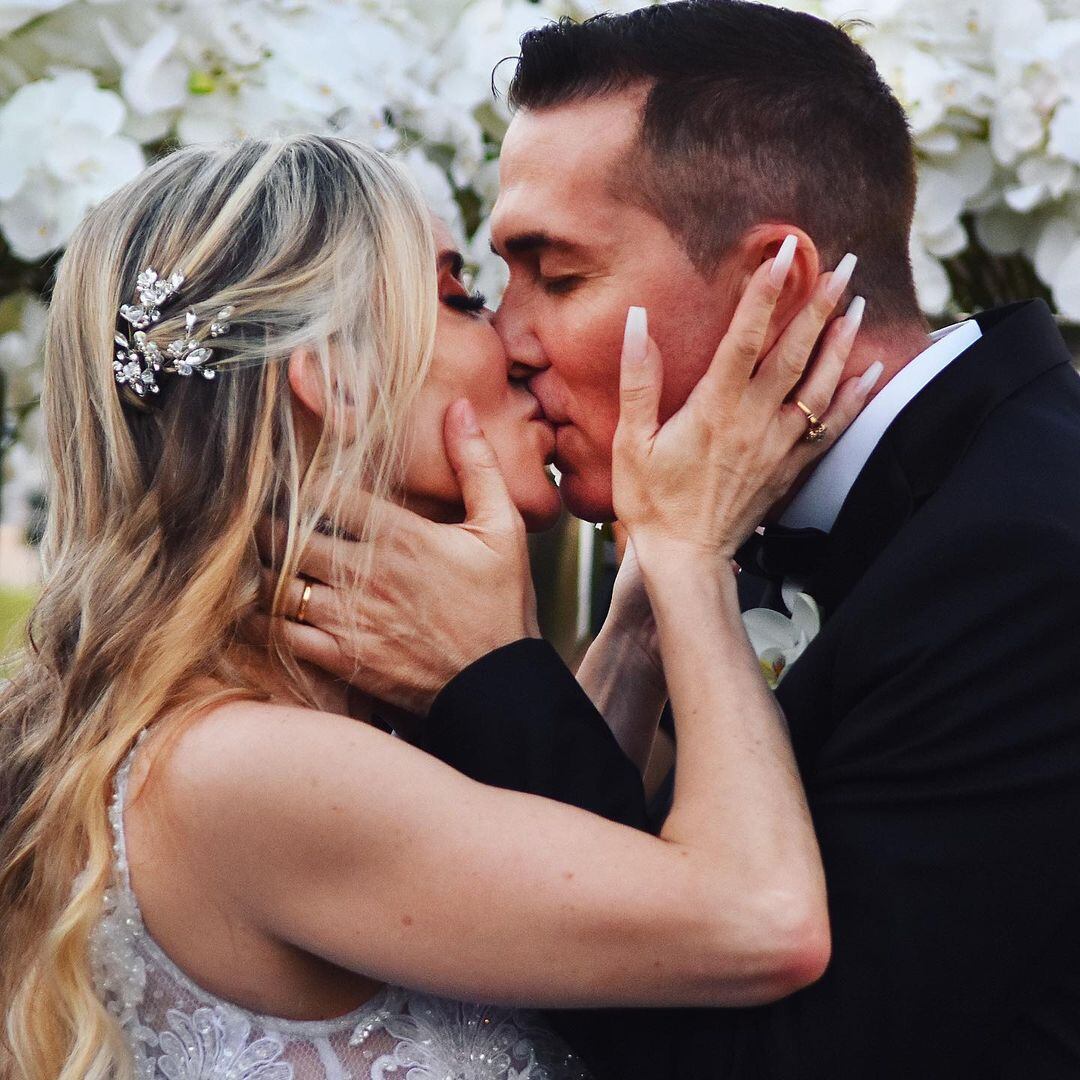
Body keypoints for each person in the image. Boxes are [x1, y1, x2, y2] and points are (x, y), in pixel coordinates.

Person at [279, 4, 1080, 1079]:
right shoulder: (731, 513)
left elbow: (791, 1055)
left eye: (557, 277)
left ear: (776, 286)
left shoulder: (1031, 551)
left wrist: (498, 679)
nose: (510, 343)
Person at [0, 133, 872, 1080]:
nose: (515, 341)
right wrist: (689, 555)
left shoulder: (289, 726)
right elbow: (763, 919)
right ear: (333, 381)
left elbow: (574, 872)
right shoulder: (252, 767)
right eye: (462, 298)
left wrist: (633, 629)